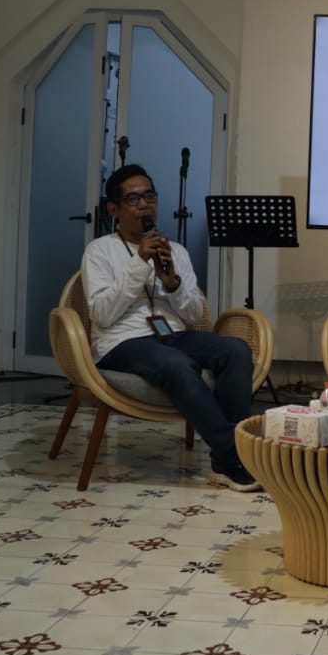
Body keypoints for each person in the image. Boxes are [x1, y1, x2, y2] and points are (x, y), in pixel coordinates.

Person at [83, 165, 260, 491]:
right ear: (113, 209)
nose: (144, 205)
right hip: (122, 341)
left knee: (236, 349)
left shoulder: (176, 251)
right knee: (178, 365)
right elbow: (102, 314)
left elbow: (194, 314)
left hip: (172, 335)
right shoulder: (99, 251)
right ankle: (236, 455)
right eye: (133, 199)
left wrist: (173, 283)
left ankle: (226, 461)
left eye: (149, 196)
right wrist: (140, 263)